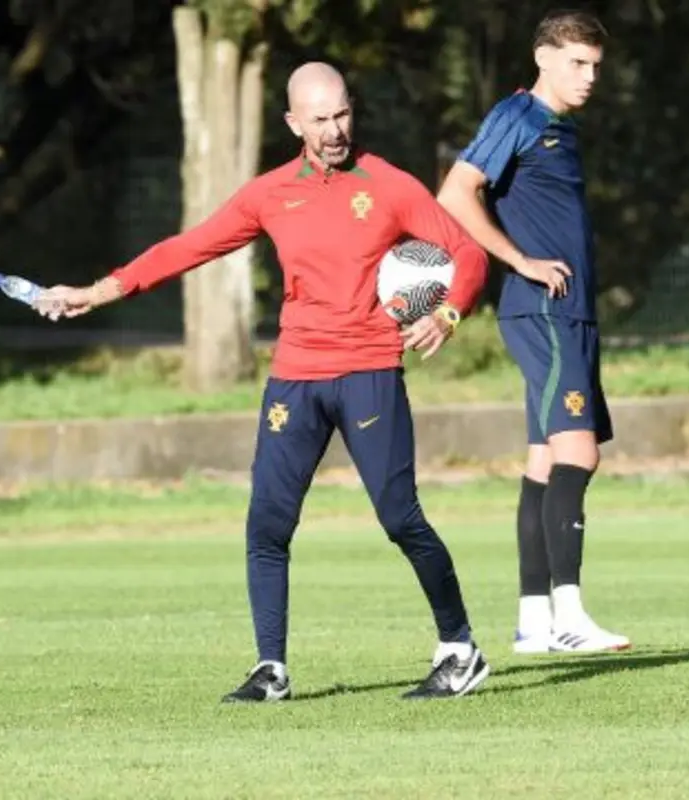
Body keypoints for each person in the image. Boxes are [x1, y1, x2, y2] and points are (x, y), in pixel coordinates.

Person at [36, 62, 494, 699]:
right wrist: (97, 291)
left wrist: (449, 311)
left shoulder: (388, 184)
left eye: (342, 114)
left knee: (399, 518)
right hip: (295, 376)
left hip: (368, 370)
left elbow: (466, 250)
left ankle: (460, 649)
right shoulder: (272, 193)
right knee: (267, 525)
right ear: (293, 123)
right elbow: (189, 246)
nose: (334, 130)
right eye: (319, 120)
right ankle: (270, 669)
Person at [436, 10, 629, 654]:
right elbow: (457, 193)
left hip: (567, 312)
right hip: (542, 311)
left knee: (545, 460)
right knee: (580, 453)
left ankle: (535, 622)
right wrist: (518, 260)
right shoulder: (517, 116)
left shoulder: (558, 126)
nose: (589, 76)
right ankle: (571, 617)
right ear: (543, 57)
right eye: (577, 62)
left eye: (596, 65)